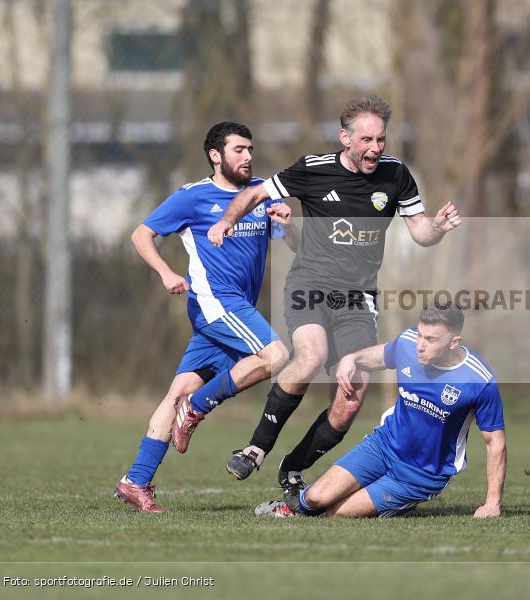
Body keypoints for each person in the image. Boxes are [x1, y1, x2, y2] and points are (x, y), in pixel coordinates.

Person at [205, 95, 462, 508]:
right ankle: (255, 448)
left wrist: (439, 227)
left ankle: (294, 465)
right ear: (346, 138)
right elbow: (255, 194)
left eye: (381, 139)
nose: (375, 147)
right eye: (366, 139)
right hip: (310, 285)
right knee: (310, 357)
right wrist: (225, 221)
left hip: (358, 299)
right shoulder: (313, 169)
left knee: (350, 399)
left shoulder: (396, 176)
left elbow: (419, 231)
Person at [114, 122, 292, 512]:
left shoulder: (259, 192)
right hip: (216, 303)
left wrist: (284, 223)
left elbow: (285, 241)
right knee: (276, 356)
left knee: (175, 393)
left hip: (235, 308)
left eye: (250, 149)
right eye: (239, 150)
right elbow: (140, 235)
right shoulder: (192, 197)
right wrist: (165, 272)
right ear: (216, 155)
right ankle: (198, 407)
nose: (248, 156)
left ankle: (135, 481)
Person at [253, 302, 506, 519]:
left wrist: (492, 504)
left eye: (431, 340)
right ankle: (292, 506)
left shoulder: (479, 381)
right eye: (420, 335)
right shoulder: (408, 344)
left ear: (454, 342)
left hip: (420, 474)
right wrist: (350, 359)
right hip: (383, 446)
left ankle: (404, 500)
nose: (420, 345)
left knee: (338, 512)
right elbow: (378, 356)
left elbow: (495, 443)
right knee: (318, 498)